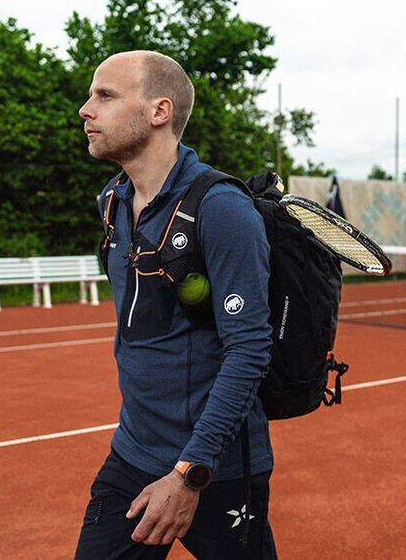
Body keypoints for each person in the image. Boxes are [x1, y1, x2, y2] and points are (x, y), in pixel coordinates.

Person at [75, 51, 276, 559]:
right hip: (133, 452)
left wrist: (190, 474)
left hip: (215, 468)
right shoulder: (112, 201)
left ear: (158, 111)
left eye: (105, 96)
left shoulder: (222, 208)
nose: (85, 109)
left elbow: (250, 349)